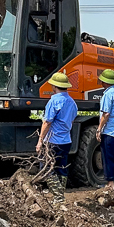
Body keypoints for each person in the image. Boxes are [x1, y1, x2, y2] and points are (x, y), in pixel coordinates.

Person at [39, 71, 77, 203]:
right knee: (62, 167)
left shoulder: (54, 101)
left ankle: (58, 197)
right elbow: (71, 121)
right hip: (66, 140)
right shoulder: (72, 102)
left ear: (54, 86)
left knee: (47, 167)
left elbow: (47, 122)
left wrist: (40, 141)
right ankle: (60, 195)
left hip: (52, 140)